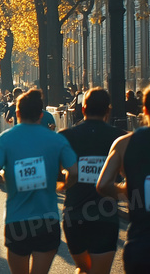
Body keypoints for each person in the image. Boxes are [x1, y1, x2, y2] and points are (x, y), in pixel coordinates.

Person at [0, 89, 77, 274]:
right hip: (47, 219)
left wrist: (6, 179)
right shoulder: (56, 139)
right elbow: (75, 171)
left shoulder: (6, 139)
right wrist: (64, 185)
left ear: (17, 113)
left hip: (17, 220)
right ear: (41, 115)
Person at [97, 81, 150, 273]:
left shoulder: (124, 143)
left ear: (144, 110)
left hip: (142, 243)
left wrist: (127, 190)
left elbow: (103, 185)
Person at [58, 87, 125, 274]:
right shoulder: (120, 138)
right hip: (106, 215)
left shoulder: (65, 136)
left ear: (83, 108)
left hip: (74, 215)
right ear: (108, 110)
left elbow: (54, 172)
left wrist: (67, 179)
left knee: (83, 268)